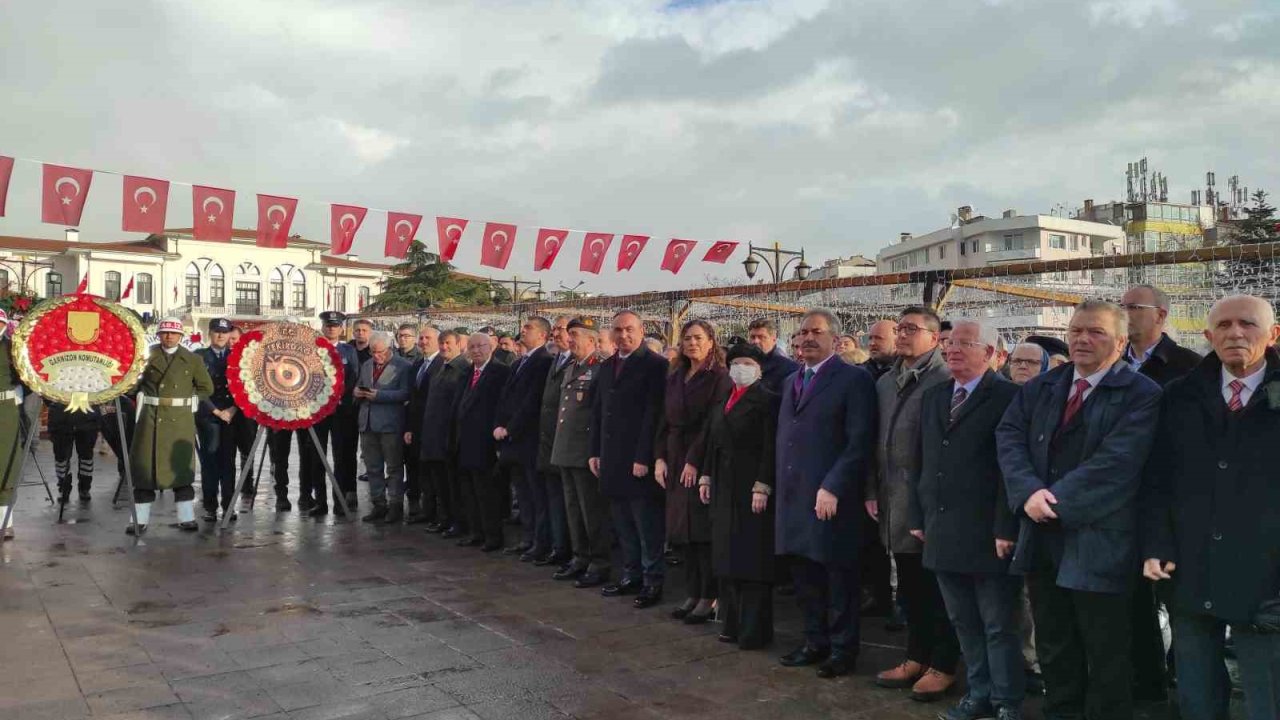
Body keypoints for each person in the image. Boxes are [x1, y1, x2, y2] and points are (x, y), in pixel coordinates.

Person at [997, 299, 1161, 720]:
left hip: (1101, 540)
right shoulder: (1045, 385)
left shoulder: (1141, 395)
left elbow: (1119, 462)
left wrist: (1052, 502)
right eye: (1076, 331)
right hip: (1042, 537)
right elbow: (1010, 436)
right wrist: (1028, 492)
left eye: (1096, 332)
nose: (1082, 339)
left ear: (1121, 342)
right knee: (1054, 642)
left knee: (1105, 648)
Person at [1141, 294, 1280, 720]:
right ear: (1207, 336)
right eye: (1223, 326)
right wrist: (1157, 545)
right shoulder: (1180, 396)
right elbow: (1156, 479)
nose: (1235, 333)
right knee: (1196, 691)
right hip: (1189, 567)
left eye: (1247, 324)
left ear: (1273, 334)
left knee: (1266, 694)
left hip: (1267, 578)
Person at [909, 319, 1024, 720]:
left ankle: (1007, 701)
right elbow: (921, 460)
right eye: (949, 342)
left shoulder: (1010, 397)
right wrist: (916, 513)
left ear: (991, 353)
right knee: (964, 622)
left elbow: (1011, 469)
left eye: (965, 343)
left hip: (988, 532)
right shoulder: (937, 395)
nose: (952, 349)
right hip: (941, 528)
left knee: (997, 624)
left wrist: (1005, 527)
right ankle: (978, 694)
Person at [776, 308, 877, 679]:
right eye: (802, 332)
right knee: (805, 578)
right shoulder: (792, 381)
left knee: (838, 579)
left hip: (832, 497)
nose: (806, 338)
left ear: (835, 339)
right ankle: (813, 641)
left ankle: (842, 651)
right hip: (795, 496)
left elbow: (858, 441)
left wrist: (833, 485)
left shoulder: (853, 379)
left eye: (816, 332)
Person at [869, 307, 960, 700]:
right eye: (899, 328)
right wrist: (871, 490)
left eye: (912, 329)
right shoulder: (887, 381)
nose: (902, 335)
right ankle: (915, 656)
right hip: (894, 500)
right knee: (910, 587)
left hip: (929, 504)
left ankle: (943, 664)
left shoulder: (944, 379)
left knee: (938, 591)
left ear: (935, 338)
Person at [1120, 283, 1202, 702]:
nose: (1126, 313)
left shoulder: (1188, 366)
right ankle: (1146, 685)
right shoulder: (1112, 363)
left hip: (1171, 499)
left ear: (1161, 315)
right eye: (1122, 306)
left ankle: (1186, 687)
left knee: (1177, 600)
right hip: (1121, 500)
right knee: (1131, 603)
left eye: (1135, 306)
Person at [699, 341, 780, 649]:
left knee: (752, 559)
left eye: (748, 363)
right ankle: (731, 623)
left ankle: (754, 630)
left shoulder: (767, 400)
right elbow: (712, 440)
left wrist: (763, 484)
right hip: (723, 485)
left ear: (759, 369)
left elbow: (770, 446)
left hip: (751, 488)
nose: (740, 369)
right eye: (736, 363)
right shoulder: (725, 400)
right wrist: (706, 474)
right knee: (727, 557)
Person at [589, 310, 669, 609]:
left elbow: (654, 414)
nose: (623, 335)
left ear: (641, 330)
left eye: (629, 329)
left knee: (647, 525)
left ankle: (652, 581)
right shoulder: (608, 365)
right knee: (622, 524)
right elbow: (599, 410)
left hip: (639, 459)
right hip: (611, 458)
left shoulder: (655, 365)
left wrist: (644, 456)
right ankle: (631, 574)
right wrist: (595, 451)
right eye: (618, 330)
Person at [657, 320, 732, 625]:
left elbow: (713, 423)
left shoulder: (720, 377)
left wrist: (693, 460)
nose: (692, 344)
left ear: (712, 342)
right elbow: (663, 419)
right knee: (682, 532)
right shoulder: (676, 375)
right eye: (687, 338)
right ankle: (692, 590)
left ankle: (709, 594)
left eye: (698, 338)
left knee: (701, 532)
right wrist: (659, 457)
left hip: (701, 459)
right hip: (674, 454)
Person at [128, 317, 215, 535]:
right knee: (145, 470)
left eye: (173, 333)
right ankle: (139, 519)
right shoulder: (145, 356)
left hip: (179, 420)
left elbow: (206, 387)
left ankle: (186, 517)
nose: (169, 337)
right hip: (150, 418)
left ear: (181, 337)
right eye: (165, 333)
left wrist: (192, 399)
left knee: (181, 469)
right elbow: (131, 384)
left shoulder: (192, 359)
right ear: (158, 335)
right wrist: (136, 393)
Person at [552, 317, 613, 586]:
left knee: (592, 511)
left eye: (575, 334)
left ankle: (599, 562)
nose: (570, 338)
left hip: (585, 451)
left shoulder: (599, 368)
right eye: (569, 334)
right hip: (565, 448)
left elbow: (599, 414)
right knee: (573, 508)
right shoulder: (571, 367)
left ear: (591, 340)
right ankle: (580, 556)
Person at [494, 317, 555, 560]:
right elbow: (505, 397)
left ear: (542, 335)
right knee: (523, 492)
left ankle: (540, 543)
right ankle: (528, 538)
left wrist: (510, 428)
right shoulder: (520, 362)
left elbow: (532, 401)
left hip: (528, 439)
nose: (523, 331)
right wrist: (499, 423)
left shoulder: (543, 361)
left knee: (536, 494)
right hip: (513, 441)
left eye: (528, 328)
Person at [455, 333, 512, 550]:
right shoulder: (468, 372)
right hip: (465, 441)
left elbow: (502, 405)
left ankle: (492, 536)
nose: (476, 350)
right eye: (472, 346)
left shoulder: (500, 372)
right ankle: (475, 531)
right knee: (469, 491)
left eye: (481, 346)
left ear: (491, 347)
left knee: (487, 492)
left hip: (486, 441)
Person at [355, 333, 412, 523]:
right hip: (368, 423)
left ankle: (395, 506)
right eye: (373, 352)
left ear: (389, 349)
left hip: (390, 424)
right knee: (372, 467)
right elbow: (360, 387)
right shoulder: (366, 365)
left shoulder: (403, 366)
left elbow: (406, 393)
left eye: (380, 352)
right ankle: (378, 504)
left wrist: (380, 395)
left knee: (394, 467)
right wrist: (357, 392)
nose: (376, 356)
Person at [418, 331, 469, 536]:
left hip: (448, 437)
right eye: (441, 343)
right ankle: (445, 518)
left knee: (452, 485)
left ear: (458, 344)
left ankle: (457, 522)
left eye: (448, 343)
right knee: (439, 483)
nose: (444, 347)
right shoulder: (441, 367)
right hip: (434, 436)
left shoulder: (462, 369)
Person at [537, 316, 574, 572]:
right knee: (552, 500)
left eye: (562, 329)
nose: (556, 333)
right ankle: (557, 546)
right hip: (548, 442)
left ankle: (568, 550)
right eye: (556, 329)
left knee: (568, 503)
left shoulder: (579, 361)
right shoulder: (556, 360)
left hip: (568, 445)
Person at [195, 318, 240, 522]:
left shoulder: (238, 357)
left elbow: (245, 387)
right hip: (209, 416)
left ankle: (229, 506)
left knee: (229, 462)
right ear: (209, 333)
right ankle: (210, 507)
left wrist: (232, 409)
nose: (221, 336)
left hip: (231, 416)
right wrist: (215, 411)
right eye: (216, 332)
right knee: (210, 461)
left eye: (224, 332)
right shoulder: (199, 357)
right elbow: (196, 388)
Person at [319, 311, 361, 516]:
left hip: (341, 411)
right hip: (317, 412)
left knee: (342, 455)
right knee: (316, 455)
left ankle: (341, 497)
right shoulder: (313, 350)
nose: (331, 328)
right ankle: (319, 500)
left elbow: (353, 377)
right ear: (322, 327)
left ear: (341, 329)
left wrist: (339, 399)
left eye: (335, 325)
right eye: (328, 325)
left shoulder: (348, 351)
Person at [404, 325, 444, 524]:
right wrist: (409, 427)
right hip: (417, 427)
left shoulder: (442, 364)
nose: (423, 342)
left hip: (433, 428)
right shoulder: (418, 364)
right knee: (420, 470)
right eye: (421, 338)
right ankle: (425, 510)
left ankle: (437, 513)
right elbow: (413, 398)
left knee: (434, 473)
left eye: (428, 338)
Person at [0, 312, 25, 540]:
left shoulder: (13, 348)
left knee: (6, 462)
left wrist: (19, 395)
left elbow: (25, 376)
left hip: (5, 409)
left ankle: (5, 520)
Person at [47, 401, 99, 506]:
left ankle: (85, 488)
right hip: (60, 414)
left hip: (87, 412)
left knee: (86, 456)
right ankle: (64, 488)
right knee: (61, 457)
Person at [746, 318, 799, 394]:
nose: (755, 341)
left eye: (761, 337)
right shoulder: (745, 365)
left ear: (773, 339)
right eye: (752, 337)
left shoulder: (788, 368)